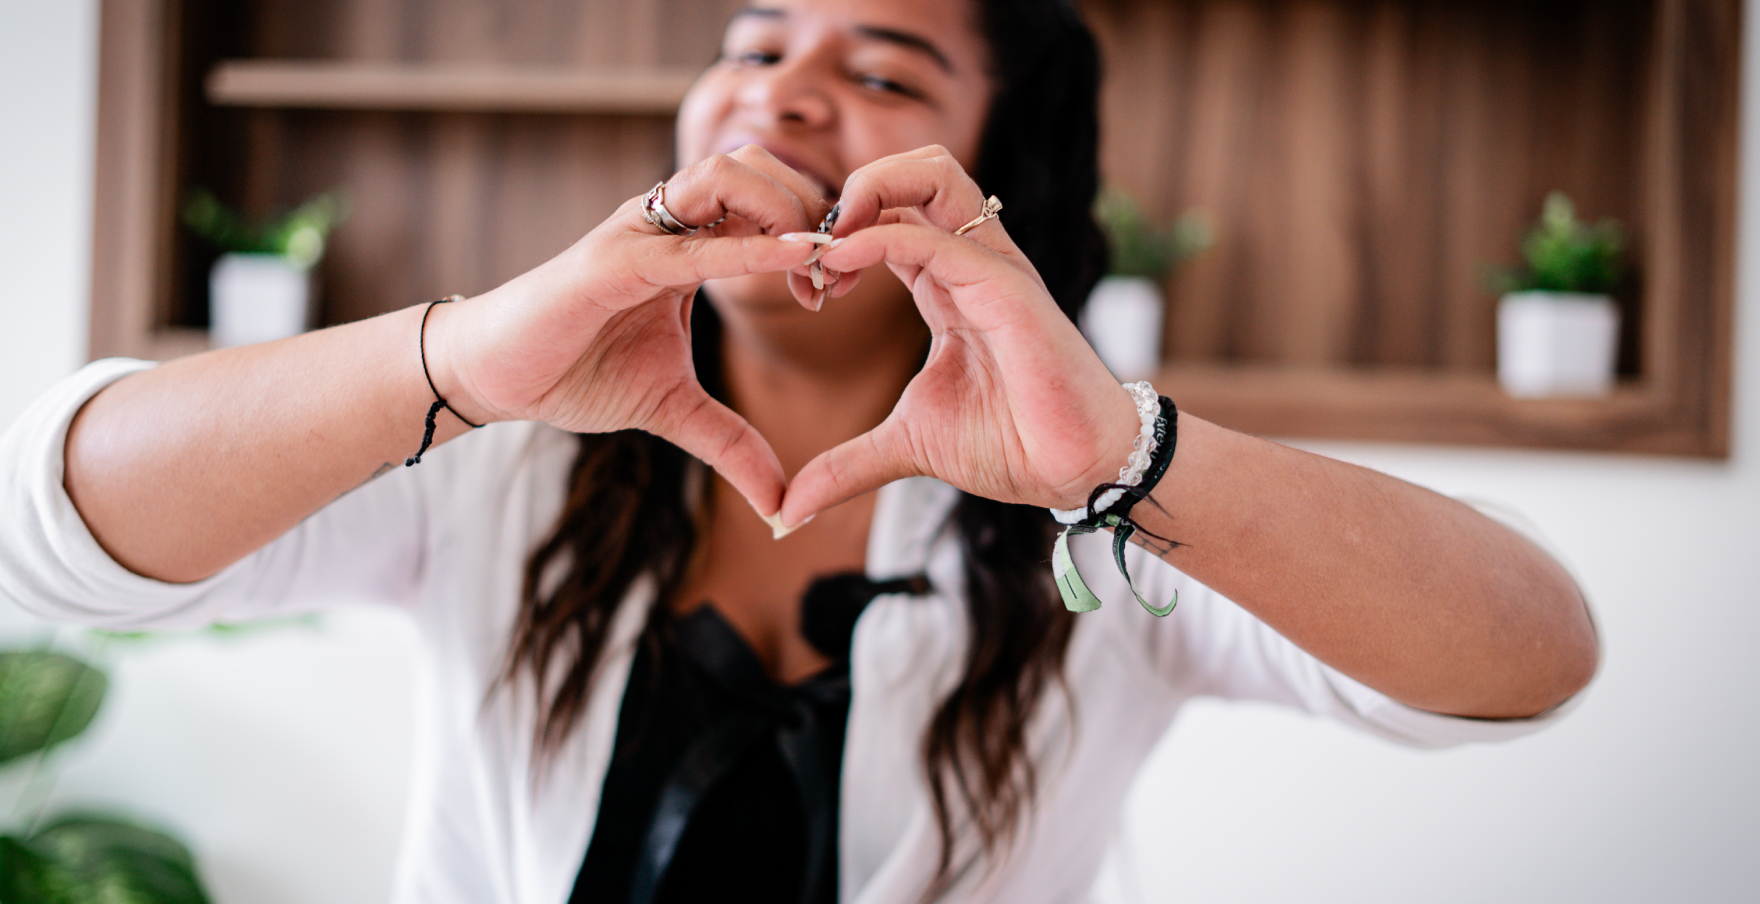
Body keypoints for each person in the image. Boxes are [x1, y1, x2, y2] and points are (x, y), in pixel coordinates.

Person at [0, 0, 1598, 901]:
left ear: (1005, 183)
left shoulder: (1105, 521)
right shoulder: (502, 459)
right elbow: (51, 535)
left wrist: (1128, 454)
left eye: (885, 68)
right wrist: (462, 360)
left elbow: (1530, 660)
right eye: (754, 44)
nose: (784, 93)